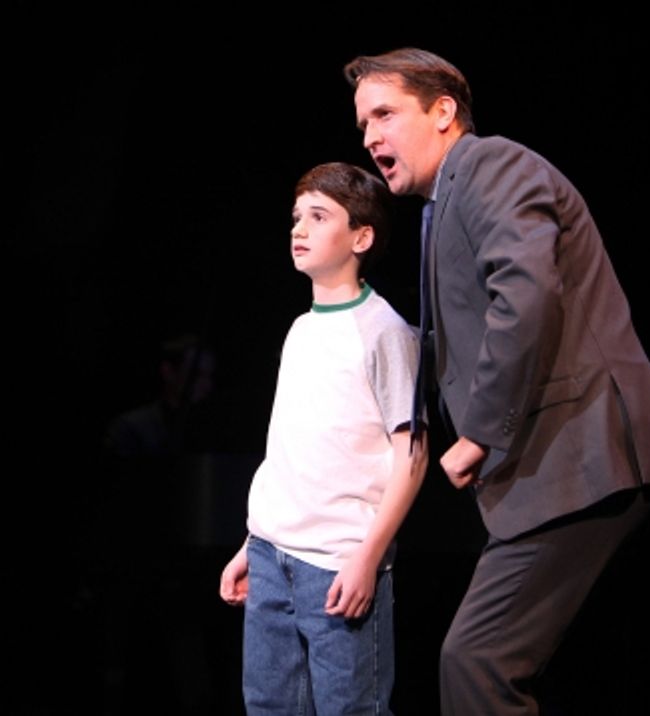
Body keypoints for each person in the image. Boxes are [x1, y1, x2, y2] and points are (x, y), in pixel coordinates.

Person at [345, 48, 650, 714]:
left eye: (385, 114)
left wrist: (480, 431)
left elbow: (526, 294)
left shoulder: (487, 164)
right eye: (363, 124)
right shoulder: (440, 203)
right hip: (555, 465)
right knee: (501, 663)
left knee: (476, 662)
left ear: (443, 111)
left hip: (581, 453)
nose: (369, 137)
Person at [219, 162, 427, 715]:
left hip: (338, 567)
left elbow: (412, 452)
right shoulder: (301, 329)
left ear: (361, 236)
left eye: (318, 216)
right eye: (296, 218)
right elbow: (293, 452)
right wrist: (252, 542)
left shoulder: (383, 331)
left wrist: (369, 555)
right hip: (271, 558)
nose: (298, 230)